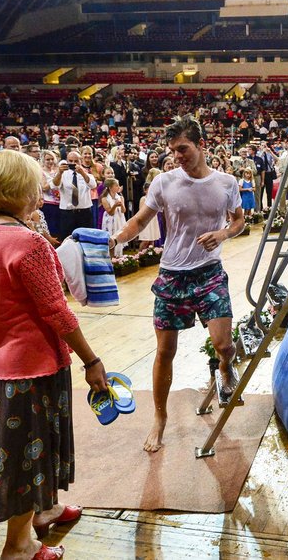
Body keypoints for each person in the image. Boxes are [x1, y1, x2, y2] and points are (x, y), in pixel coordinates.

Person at [0, 149, 109, 560]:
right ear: (21, 189)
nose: (41, 192)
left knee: (24, 447)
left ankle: (46, 510)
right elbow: (57, 311)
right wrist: (92, 360)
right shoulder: (28, 244)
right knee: (29, 453)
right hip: (34, 365)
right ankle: (19, 546)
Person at [108, 116, 246, 453]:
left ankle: (225, 367)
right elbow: (141, 220)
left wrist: (224, 233)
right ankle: (160, 418)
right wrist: (118, 238)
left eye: (182, 149)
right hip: (172, 275)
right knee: (165, 352)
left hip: (210, 272)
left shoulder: (226, 183)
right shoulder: (164, 183)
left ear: (200, 144)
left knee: (224, 344)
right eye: (172, 151)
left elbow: (239, 220)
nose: (177, 156)